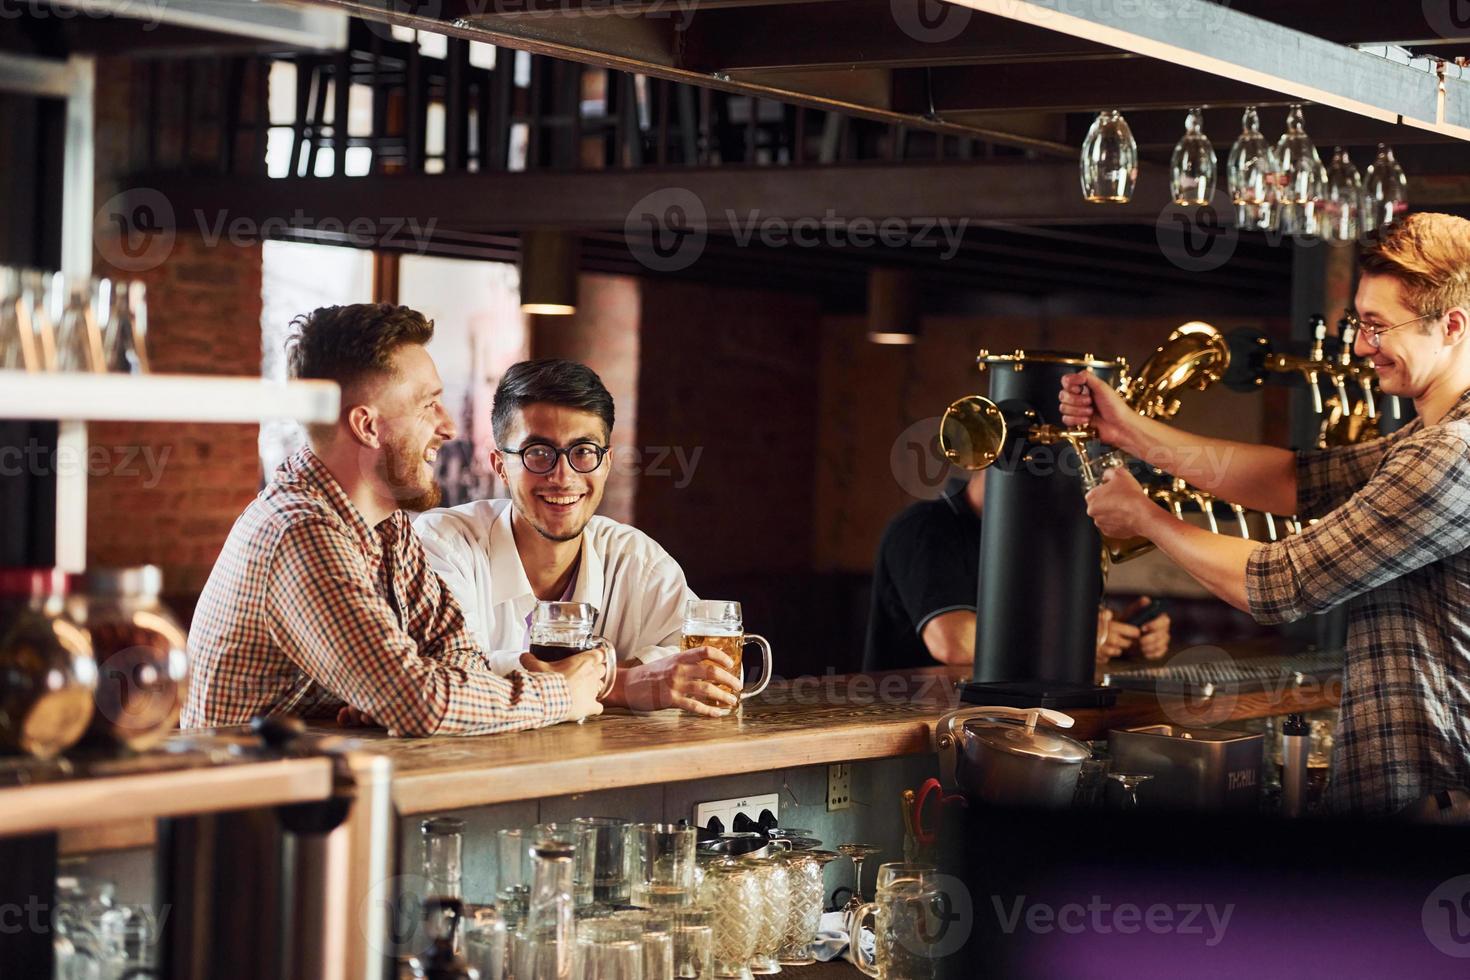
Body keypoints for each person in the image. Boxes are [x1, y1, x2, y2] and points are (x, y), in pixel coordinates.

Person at [1060, 212, 1470, 816]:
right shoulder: (1428, 441)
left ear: (1452, 326)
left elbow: (1278, 585)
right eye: (1360, 323)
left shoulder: (1450, 455)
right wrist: (1130, 431)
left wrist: (1144, 517)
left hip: (1433, 801)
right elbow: (1294, 480)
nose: (1361, 346)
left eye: (1378, 327)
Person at [184, 304, 605, 735]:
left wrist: (397, 696)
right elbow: (420, 702)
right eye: (429, 405)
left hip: (320, 786)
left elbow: (456, 651)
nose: (448, 428)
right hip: (241, 796)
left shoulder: (387, 524)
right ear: (367, 426)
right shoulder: (300, 532)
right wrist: (558, 693)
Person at [414, 359, 743, 717]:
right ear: (499, 466)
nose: (563, 477)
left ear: (605, 463)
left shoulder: (636, 559)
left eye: (583, 452)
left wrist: (603, 676)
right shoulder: (444, 542)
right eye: (537, 453)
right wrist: (622, 684)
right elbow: (439, 676)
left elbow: (717, 671)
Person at [863, 470, 1170, 672]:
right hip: (915, 737)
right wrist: (1074, 641)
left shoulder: (1032, 535)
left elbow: (1034, 626)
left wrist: (1122, 636)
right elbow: (955, 643)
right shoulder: (923, 527)